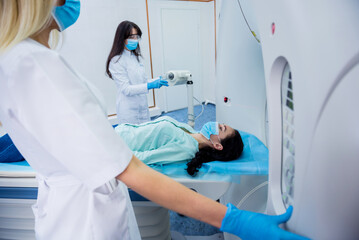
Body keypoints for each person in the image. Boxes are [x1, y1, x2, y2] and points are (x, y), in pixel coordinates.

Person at [0, 1, 310, 240]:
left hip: (98, 171)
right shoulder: (33, 63)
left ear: (217, 144)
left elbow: (137, 160)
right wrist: (235, 219)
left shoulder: (25, 58)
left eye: (222, 130)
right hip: (86, 215)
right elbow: (133, 167)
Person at [115, 116, 244, 176]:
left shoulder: (186, 148)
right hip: (121, 131)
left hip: (117, 144)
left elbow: (145, 158)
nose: (216, 124)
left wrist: (114, 152)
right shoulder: (191, 131)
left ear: (217, 145)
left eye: (221, 128)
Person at [106, 20, 168, 125]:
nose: (135, 40)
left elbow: (143, 82)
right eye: (131, 37)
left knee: (146, 135)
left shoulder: (135, 57)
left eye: (137, 37)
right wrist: (149, 85)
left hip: (142, 106)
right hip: (128, 109)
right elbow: (126, 89)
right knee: (133, 139)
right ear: (122, 38)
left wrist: (157, 80)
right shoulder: (116, 60)